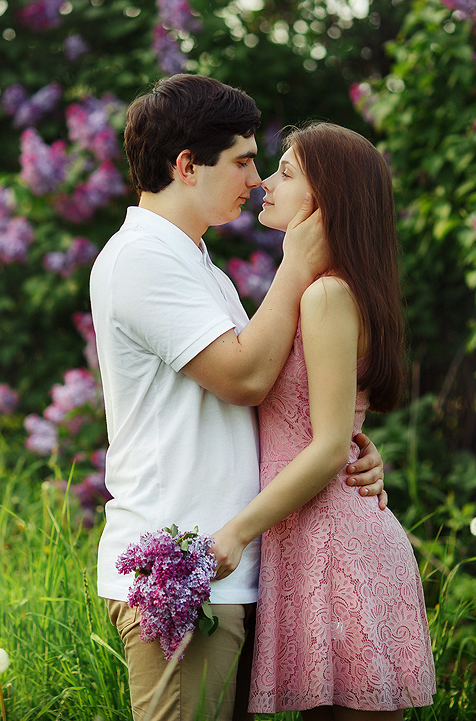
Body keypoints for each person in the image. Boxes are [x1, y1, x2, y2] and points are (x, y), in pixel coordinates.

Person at [90, 75, 387, 721]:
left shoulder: (199, 265)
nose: (256, 179)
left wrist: (345, 441)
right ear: (186, 166)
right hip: (181, 565)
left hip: (233, 565)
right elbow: (244, 377)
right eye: (243, 161)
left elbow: (266, 396)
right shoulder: (142, 258)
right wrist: (295, 266)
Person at [209, 122, 436, 719]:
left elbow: (331, 445)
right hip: (314, 542)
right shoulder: (317, 289)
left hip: (339, 548)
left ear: (325, 201)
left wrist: (236, 533)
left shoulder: (326, 296)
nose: (266, 183)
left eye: (285, 173)